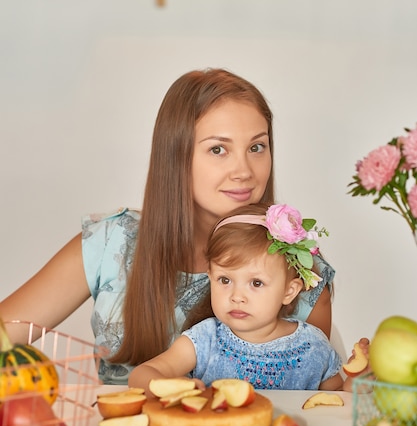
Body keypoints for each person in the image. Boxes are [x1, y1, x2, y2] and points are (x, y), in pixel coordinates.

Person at [0, 68, 337, 385]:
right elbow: (5, 333)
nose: (244, 170)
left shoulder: (303, 275)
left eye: (256, 147)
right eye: (218, 149)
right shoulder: (109, 243)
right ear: (175, 156)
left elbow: (318, 405)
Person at [129, 202, 353, 395]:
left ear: (289, 291)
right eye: (225, 280)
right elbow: (141, 375)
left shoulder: (313, 346)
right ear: (210, 277)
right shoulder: (204, 340)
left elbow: (334, 402)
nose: (236, 297)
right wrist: (171, 386)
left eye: (256, 283)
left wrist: (355, 385)